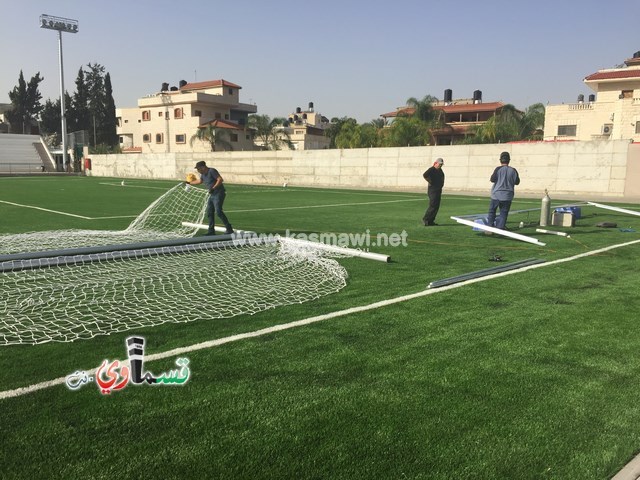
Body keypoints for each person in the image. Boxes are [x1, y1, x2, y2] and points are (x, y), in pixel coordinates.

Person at [187, 160, 233, 235]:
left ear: (203, 167)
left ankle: (229, 228)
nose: (198, 171)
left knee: (218, 211)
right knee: (209, 212)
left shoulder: (212, 171)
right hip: (211, 195)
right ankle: (211, 231)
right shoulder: (203, 174)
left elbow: (220, 179)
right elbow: (199, 181)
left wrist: (213, 188)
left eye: (198, 169)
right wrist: (189, 183)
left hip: (218, 193)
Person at [486, 151, 520, 230]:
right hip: (508, 196)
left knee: (492, 211)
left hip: (496, 194)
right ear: (509, 160)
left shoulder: (498, 169)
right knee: (503, 213)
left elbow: (492, 179)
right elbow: (517, 182)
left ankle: (489, 227)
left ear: (500, 160)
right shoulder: (513, 170)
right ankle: (500, 228)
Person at [422, 158, 445, 226]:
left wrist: (441, 185)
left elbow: (442, 178)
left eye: (441, 164)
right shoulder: (431, 169)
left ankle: (431, 221)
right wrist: (430, 181)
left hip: (438, 190)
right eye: (439, 164)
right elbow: (425, 175)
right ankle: (425, 219)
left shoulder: (440, 170)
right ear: (435, 163)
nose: (440, 165)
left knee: (436, 206)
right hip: (432, 191)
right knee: (432, 205)